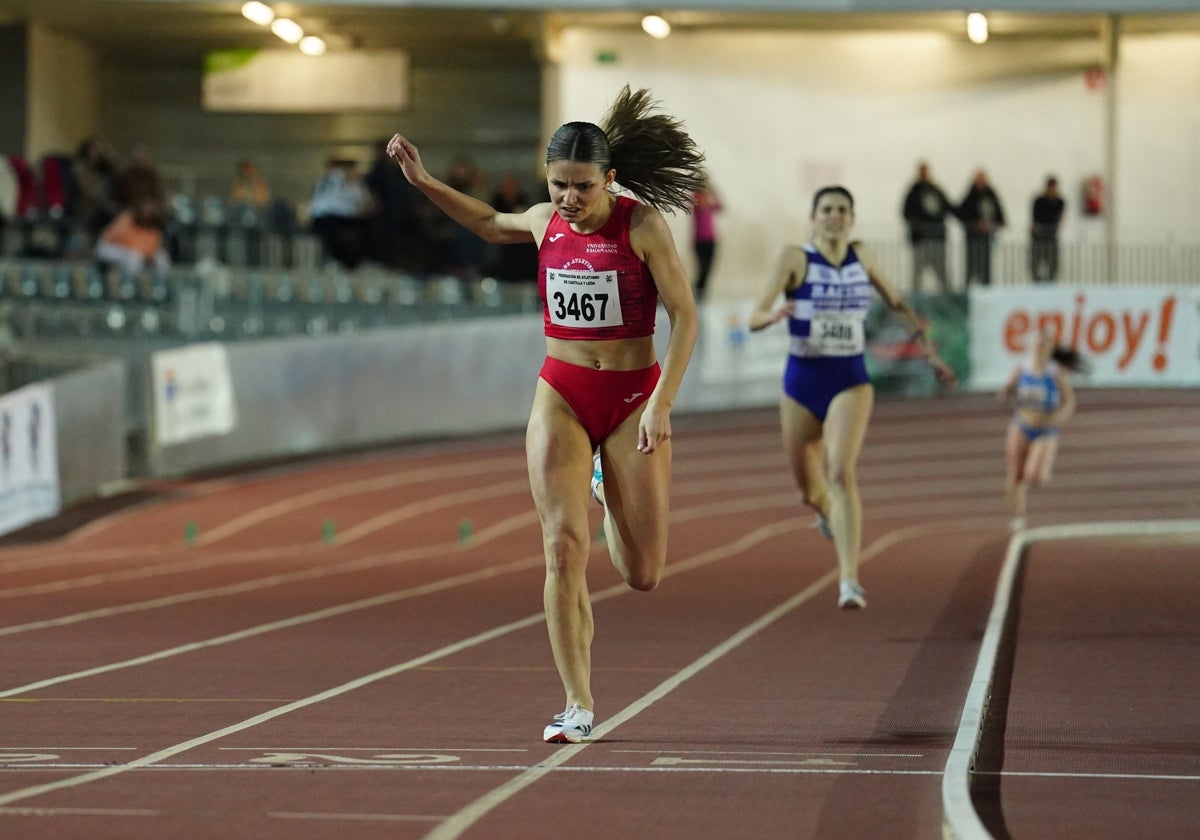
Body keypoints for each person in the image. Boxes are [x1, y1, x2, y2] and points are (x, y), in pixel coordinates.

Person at [386, 85, 703, 744]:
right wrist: (422, 181)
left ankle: (606, 488)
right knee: (561, 548)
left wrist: (661, 405)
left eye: (582, 187)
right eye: (558, 185)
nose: (568, 199)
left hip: (630, 401)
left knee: (643, 574)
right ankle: (577, 703)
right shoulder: (542, 221)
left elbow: (687, 317)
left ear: (609, 179)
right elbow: (484, 221)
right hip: (560, 394)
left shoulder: (641, 227)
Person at [748, 185, 956, 609]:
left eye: (842, 209)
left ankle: (849, 580)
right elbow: (754, 316)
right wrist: (772, 316)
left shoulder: (862, 255)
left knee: (841, 472)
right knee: (809, 489)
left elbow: (896, 302)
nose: (835, 216)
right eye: (827, 209)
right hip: (801, 382)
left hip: (850, 379)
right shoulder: (795, 258)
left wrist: (929, 351)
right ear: (814, 216)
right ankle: (823, 510)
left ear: (852, 218)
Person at [997, 329, 1083, 532]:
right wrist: (1006, 393)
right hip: (1021, 425)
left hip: (1045, 429)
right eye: (1036, 342)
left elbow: (1069, 400)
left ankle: (1038, 472)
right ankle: (1017, 517)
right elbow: (1006, 391)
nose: (1038, 345)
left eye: (1043, 343)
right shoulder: (1020, 370)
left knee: (1036, 475)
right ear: (1029, 345)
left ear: (1050, 348)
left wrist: (1061, 416)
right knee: (1015, 474)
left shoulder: (1055, 373)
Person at [308, 158, 373, 270]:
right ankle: (337, 260)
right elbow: (334, 205)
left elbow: (365, 200)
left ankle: (352, 261)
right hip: (328, 218)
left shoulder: (352, 183)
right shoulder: (335, 178)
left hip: (337, 219)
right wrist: (356, 211)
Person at [901, 161, 955, 293]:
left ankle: (947, 296)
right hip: (920, 240)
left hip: (937, 240)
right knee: (918, 273)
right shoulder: (913, 191)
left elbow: (949, 207)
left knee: (942, 273)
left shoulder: (936, 190)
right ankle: (916, 298)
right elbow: (906, 213)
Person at [94, 195, 170, 276]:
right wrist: (143, 250)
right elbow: (126, 241)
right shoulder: (127, 218)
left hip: (134, 249)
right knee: (134, 257)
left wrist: (145, 251)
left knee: (162, 257)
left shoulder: (154, 226)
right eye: (145, 209)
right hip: (109, 246)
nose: (147, 212)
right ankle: (130, 283)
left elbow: (153, 246)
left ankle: (159, 282)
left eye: (150, 210)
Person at [958, 169, 1006, 286]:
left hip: (987, 239)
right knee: (972, 267)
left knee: (986, 268)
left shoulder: (992, 195)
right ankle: (969, 287)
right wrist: (975, 224)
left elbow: (1001, 218)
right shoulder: (969, 197)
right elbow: (962, 214)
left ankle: (986, 286)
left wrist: (991, 226)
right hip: (972, 239)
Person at [690, 178, 722, 300]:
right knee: (702, 267)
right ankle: (697, 292)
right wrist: (709, 193)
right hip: (699, 239)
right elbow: (702, 207)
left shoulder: (708, 197)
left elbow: (720, 207)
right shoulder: (696, 197)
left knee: (709, 268)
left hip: (711, 238)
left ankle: (702, 294)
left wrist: (715, 193)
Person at [1030, 175, 1066, 283]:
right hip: (1039, 237)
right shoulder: (1039, 201)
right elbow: (1037, 219)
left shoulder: (1059, 202)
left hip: (1051, 236)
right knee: (1036, 262)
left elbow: (1058, 218)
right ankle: (1036, 282)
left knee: (1052, 263)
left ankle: (1051, 282)